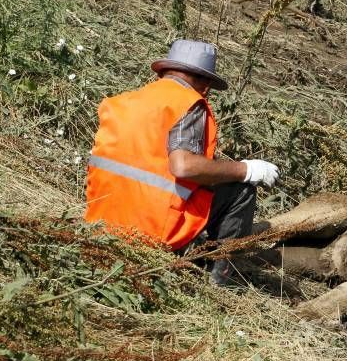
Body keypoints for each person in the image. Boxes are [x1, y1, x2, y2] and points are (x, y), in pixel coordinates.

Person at [85, 39, 278, 284]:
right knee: (241, 190)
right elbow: (183, 166)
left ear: (164, 72)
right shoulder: (188, 102)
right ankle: (223, 284)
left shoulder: (124, 101)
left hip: (102, 222)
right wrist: (245, 169)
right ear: (206, 84)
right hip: (150, 229)